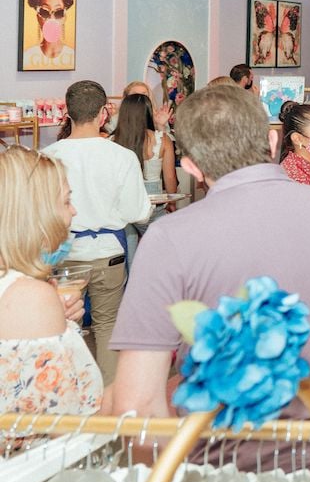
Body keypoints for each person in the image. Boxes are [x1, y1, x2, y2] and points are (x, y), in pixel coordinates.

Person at [109, 85, 310, 482]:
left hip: (222, 464)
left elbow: (137, 404)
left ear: (192, 167)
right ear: (272, 141)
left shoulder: (169, 239)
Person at [44, 80, 152, 384]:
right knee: (107, 327)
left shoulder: (48, 156)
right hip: (108, 254)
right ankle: (108, 400)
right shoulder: (122, 156)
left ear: (67, 113)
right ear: (104, 113)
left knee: (64, 326)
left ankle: (69, 393)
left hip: (64, 254)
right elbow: (137, 212)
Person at [0, 145, 100, 415]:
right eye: (66, 201)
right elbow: (59, 420)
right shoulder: (30, 296)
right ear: (36, 214)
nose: (74, 211)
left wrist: (59, 318)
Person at [112, 93, 179, 264]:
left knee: (130, 258)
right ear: (148, 112)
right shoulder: (161, 140)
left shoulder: (113, 142)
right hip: (154, 205)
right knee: (160, 256)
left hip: (125, 208)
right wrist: (172, 203)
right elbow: (170, 177)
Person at [22, 0, 76, 70]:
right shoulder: (27, 56)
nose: (51, 19)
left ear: (64, 18)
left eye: (58, 13)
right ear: (38, 17)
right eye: (45, 12)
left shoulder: (72, 55)